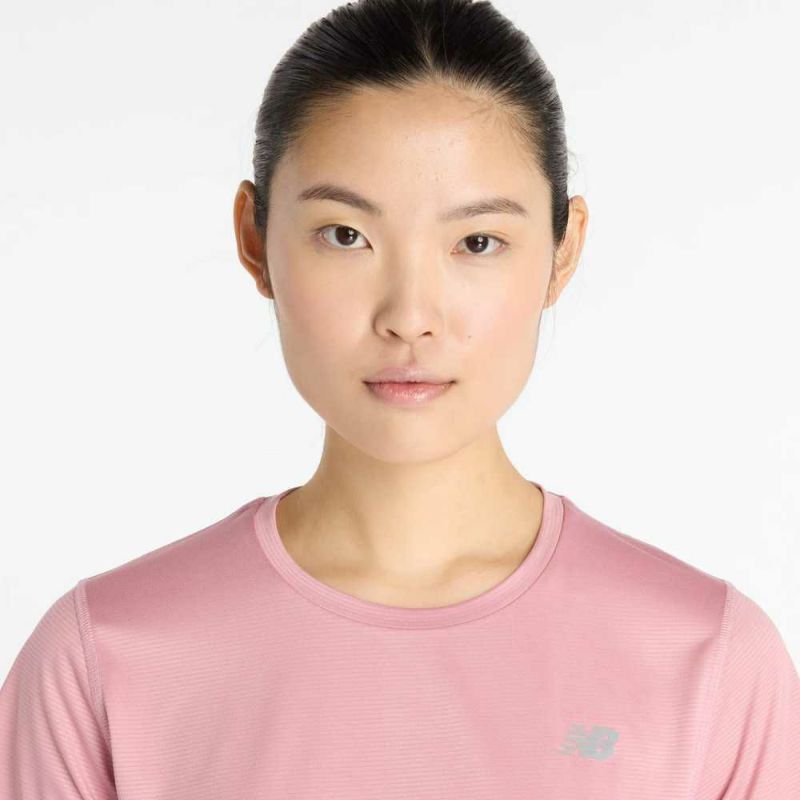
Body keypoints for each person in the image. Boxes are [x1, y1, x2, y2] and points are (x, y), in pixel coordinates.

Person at [2, 0, 798, 797]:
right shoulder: (104, 660)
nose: (410, 316)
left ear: (563, 252)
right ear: (255, 241)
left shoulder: (709, 665)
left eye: (477, 242)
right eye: (346, 235)